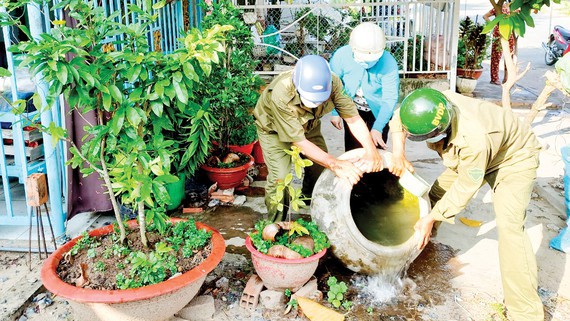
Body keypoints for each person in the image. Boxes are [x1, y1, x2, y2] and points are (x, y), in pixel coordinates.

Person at [389, 88, 543, 321]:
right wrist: (398, 153)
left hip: (513, 158)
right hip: (478, 154)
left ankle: (525, 312)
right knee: (435, 196)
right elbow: (399, 120)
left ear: (440, 130)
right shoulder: (425, 104)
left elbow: (465, 187)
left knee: (511, 229)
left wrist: (433, 218)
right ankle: (412, 249)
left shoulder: (475, 139)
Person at [253, 55, 382, 222]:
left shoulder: (334, 82)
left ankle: (309, 201)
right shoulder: (282, 92)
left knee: (318, 168)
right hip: (273, 130)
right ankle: (276, 224)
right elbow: (298, 141)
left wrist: (371, 151)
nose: (313, 104)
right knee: (281, 179)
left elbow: (353, 118)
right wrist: (335, 163)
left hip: (308, 126)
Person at [329, 22, 400, 151]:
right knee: (354, 150)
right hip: (351, 109)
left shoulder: (389, 63)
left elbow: (390, 98)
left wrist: (378, 127)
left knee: (376, 151)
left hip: (379, 112)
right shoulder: (341, 56)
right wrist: (335, 112)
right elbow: (335, 85)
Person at [484, 1, 517, 85]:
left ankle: (506, 78)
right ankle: (494, 78)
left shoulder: (515, 10)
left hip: (510, 35)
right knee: (496, 57)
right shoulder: (498, 8)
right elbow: (485, 16)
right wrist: (493, 25)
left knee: (509, 57)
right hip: (498, 35)